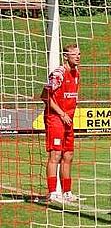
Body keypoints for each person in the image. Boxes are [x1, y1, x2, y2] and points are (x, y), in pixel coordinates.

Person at [40, 43, 81, 203]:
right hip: (56, 118)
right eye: (74, 54)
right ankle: (52, 192)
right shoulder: (58, 73)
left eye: (79, 54)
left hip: (68, 120)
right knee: (55, 154)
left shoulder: (76, 73)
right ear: (66, 56)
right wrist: (61, 113)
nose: (78, 57)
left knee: (68, 155)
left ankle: (67, 192)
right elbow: (44, 96)